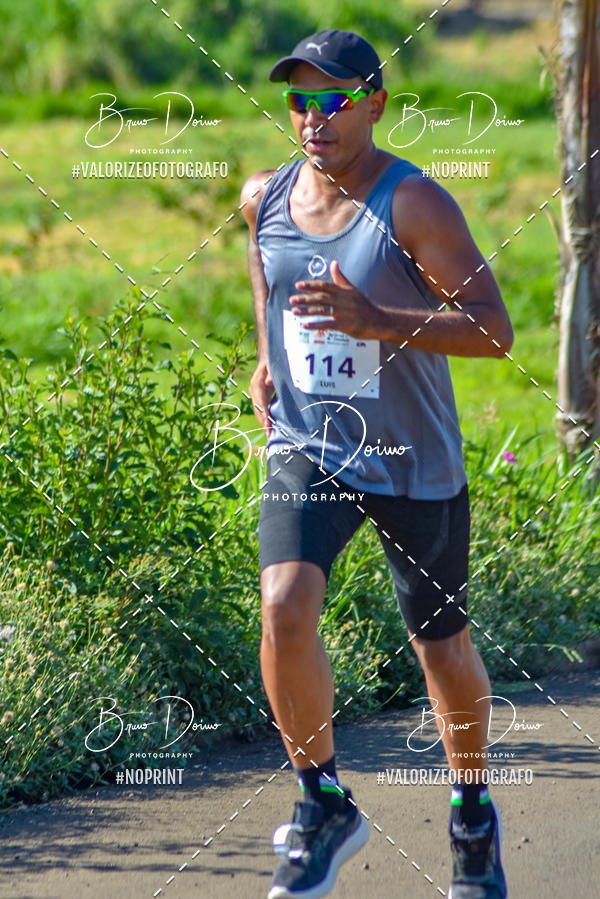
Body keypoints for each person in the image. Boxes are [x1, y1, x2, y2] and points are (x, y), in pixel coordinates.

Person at [240, 28, 513, 899]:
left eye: (334, 99)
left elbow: (494, 330)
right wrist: (267, 356)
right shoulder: (264, 196)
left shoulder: (414, 203)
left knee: (443, 651)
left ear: (375, 104)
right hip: (310, 444)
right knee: (283, 605)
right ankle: (322, 800)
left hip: (410, 458)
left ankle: (471, 811)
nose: (313, 117)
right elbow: (267, 272)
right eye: (299, 100)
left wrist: (377, 321)